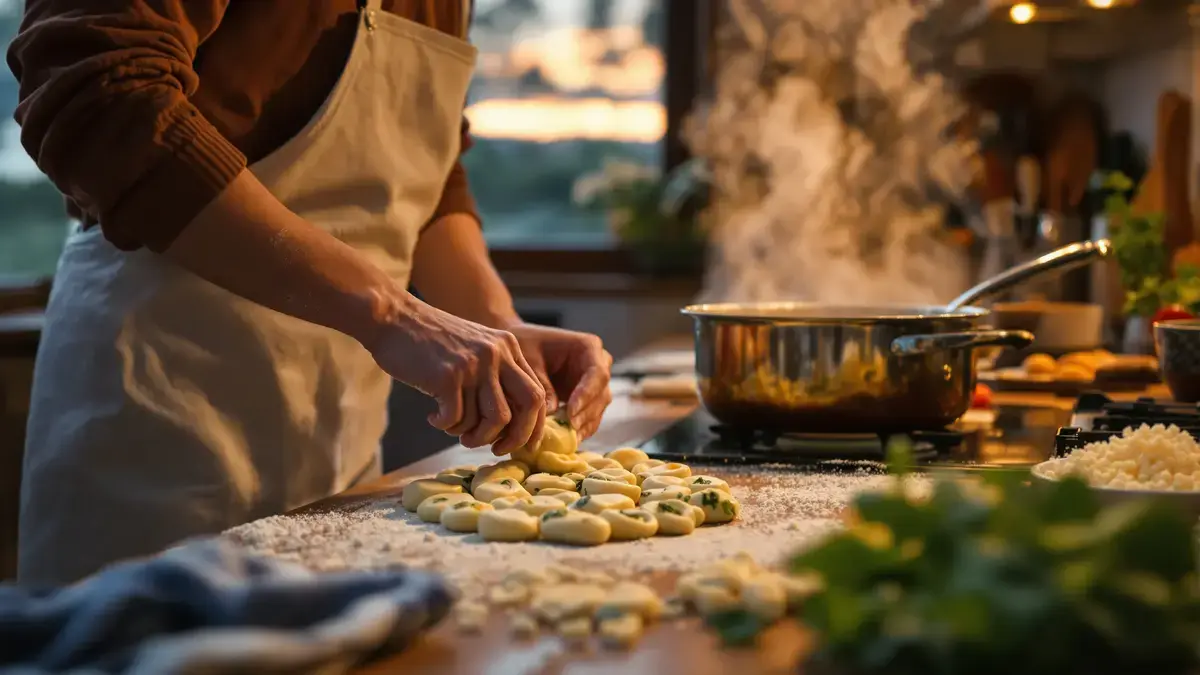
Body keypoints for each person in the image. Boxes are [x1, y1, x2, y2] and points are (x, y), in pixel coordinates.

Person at [7, 0, 614, 585]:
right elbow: (100, 97)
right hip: (156, 418)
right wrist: (391, 313)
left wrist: (496, 324)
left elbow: (421, 171)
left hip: (338, 452)